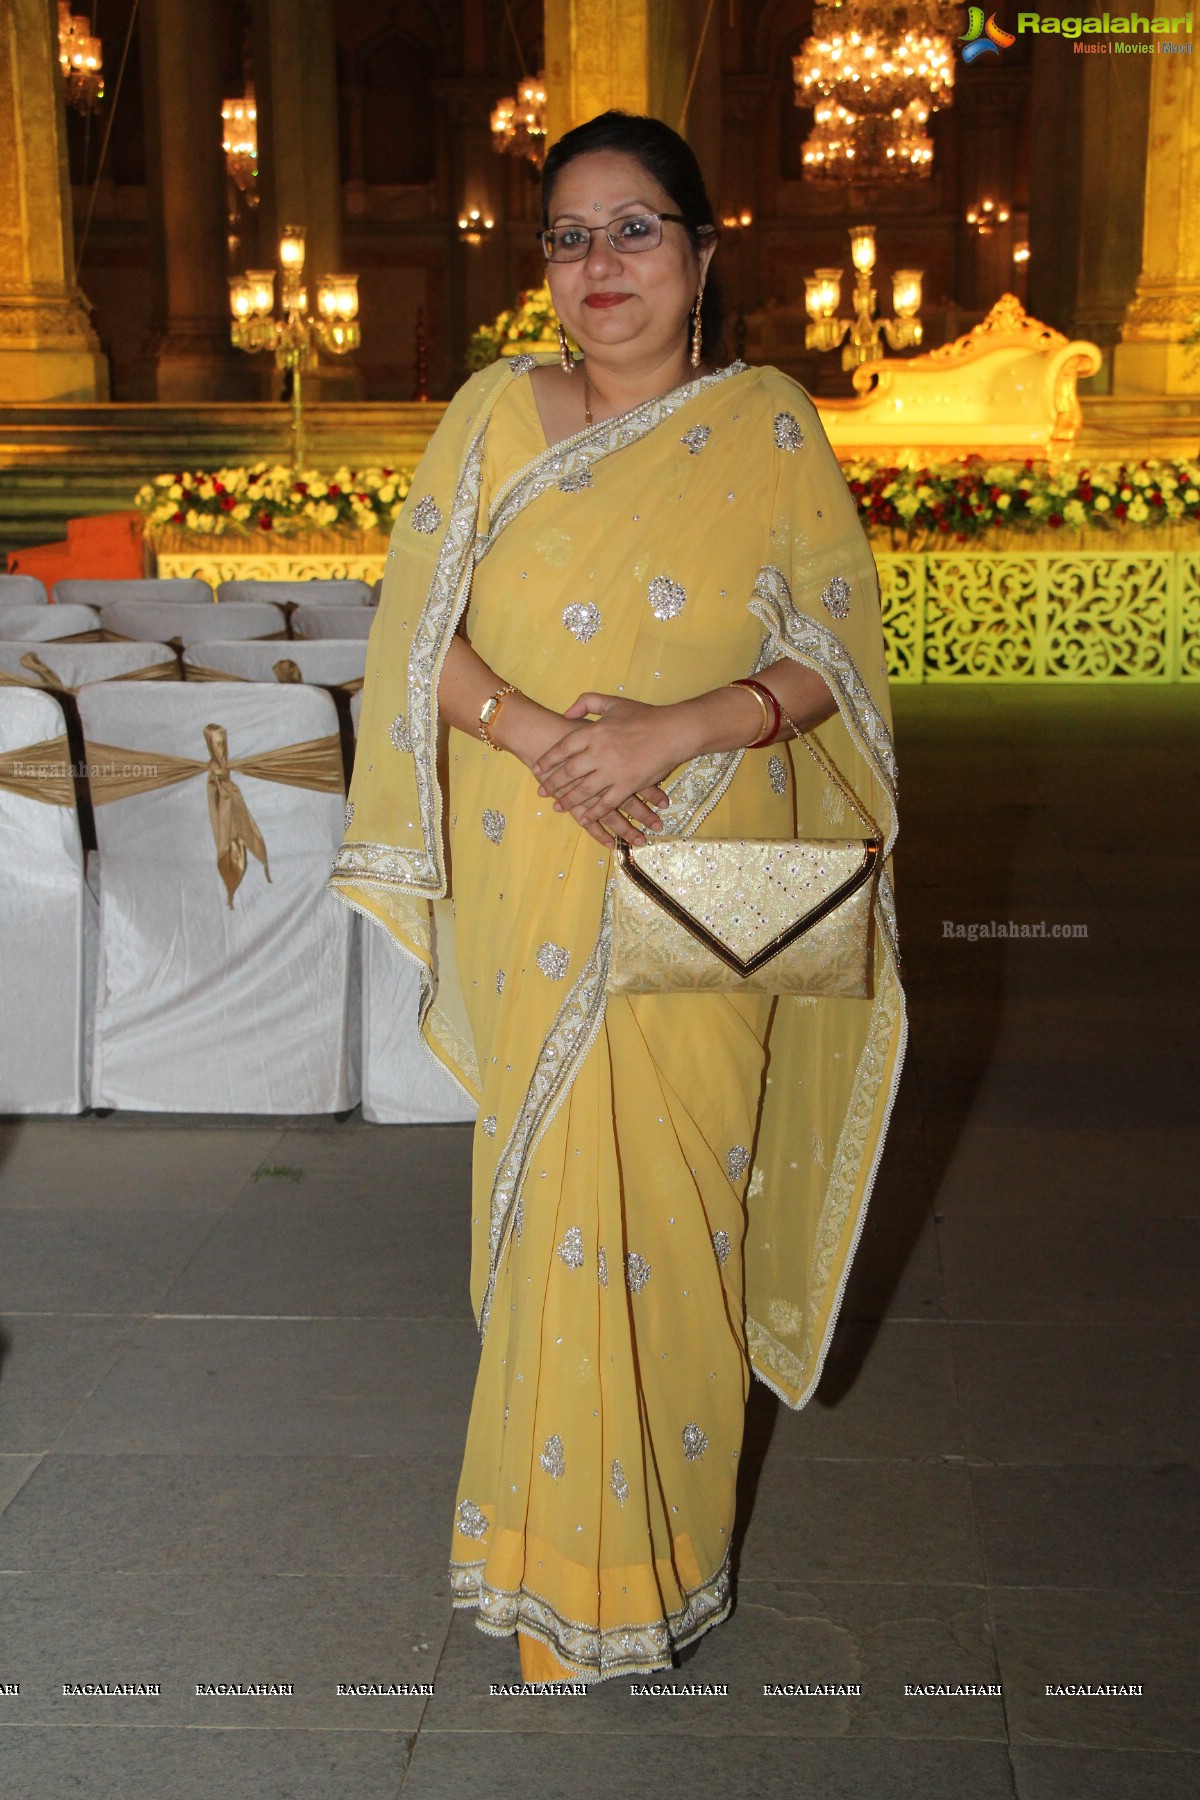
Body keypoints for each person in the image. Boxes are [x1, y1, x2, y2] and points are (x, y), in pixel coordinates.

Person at [329, 110, 907, 1684]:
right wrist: (540, 738)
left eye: (635, 228)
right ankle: (550, 1571)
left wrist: (682, 726)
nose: (601, 266)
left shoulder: (774, 425)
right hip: (539, 865)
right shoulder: (494, 415)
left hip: (720, 880)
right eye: (570, 237)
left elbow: (837, 661)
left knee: (683, 1213)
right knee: (563, 1214)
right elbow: (410, 635)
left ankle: (660, 1571)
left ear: (706, 254)